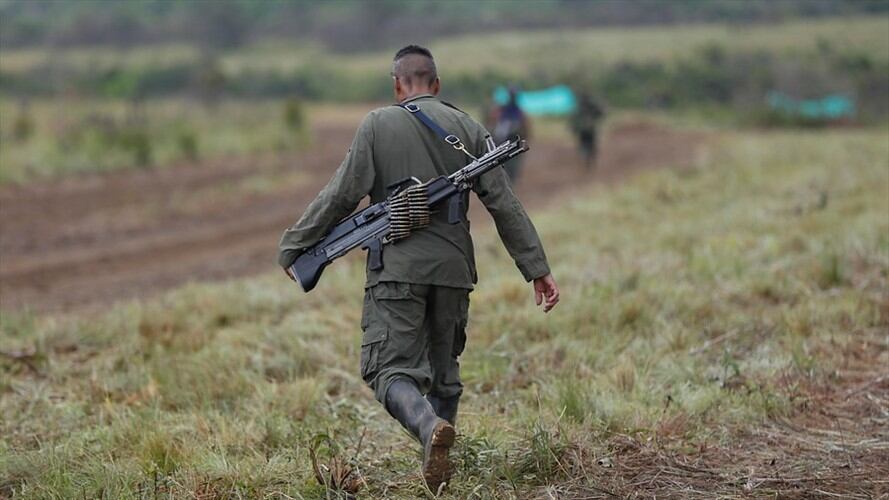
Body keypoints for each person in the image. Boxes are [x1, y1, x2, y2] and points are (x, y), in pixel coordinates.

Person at [277, 45, 559, 491]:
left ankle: (429, 429)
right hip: (453, 270)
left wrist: (294, 245)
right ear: (437, 84)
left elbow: (340, 195)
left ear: (397, 85)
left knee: (388, 371)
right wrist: (536, 268)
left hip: (397, 271)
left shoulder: (377, 124)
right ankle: (438, 477)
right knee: (444, 378)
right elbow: (504, 205)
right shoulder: (468, 128)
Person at [489, 87, 531, 184]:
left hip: (513, 140)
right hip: (504, 140)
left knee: (512, 165)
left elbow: (525, 128)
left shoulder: (518, 112)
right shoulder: (503, 110)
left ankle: (509, 181)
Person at [570, 93, 605, 171]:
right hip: (589, 128)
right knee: (590, 145)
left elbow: (573, 119)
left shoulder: (578, 107)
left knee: (584, 144)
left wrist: (573, 128)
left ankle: (585, 156)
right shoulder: (591, 105)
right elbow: (600, 113)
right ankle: (587, 157)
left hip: (583, 129)